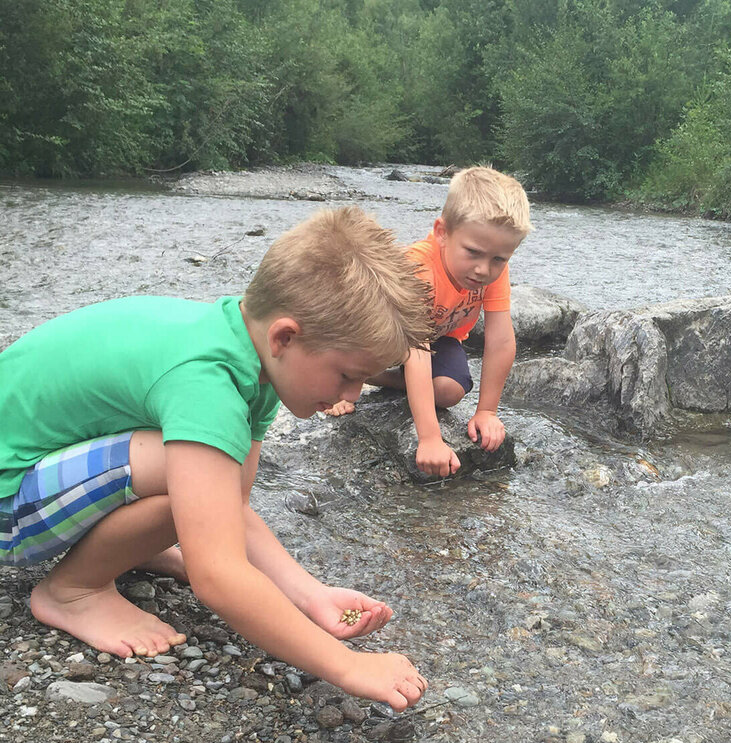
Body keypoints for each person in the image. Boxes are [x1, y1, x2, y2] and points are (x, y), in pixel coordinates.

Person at [0, 207, 430, 710]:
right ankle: (71, 591)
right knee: (190, 483)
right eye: (346, 375)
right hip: (9, 498)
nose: (352, 394)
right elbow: (218, 575)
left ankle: (131, 548)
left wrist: (308, 594)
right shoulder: (206, 382)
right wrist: (348, 664)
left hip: (39, 467)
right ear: (286, 337)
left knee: (208, 492)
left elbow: (232, 503)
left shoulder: (253, 353)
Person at [327, 166, 532, 479]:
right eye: (473, 253)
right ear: (442, 232)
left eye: (498, 259)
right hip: (383, 333)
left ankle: (379, 379)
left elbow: (501, 340)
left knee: (451, 390)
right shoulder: (420, 269)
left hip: (438, 337)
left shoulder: (495, 272)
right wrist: (430, 438)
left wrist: (487, 412)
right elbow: (416, 350)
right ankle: (346, 373)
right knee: (369, 350)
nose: (483, 270)